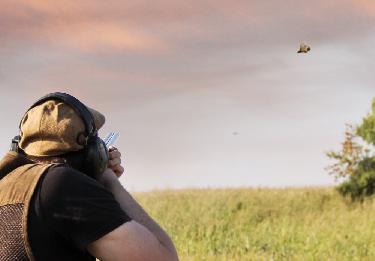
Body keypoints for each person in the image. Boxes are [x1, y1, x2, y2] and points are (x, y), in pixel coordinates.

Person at [0, 92, 179, 261]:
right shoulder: (63, 185)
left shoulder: (7, 183)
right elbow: (163, 257)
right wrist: (108, 179)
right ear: (94, 152)